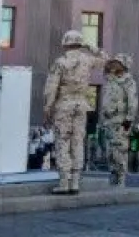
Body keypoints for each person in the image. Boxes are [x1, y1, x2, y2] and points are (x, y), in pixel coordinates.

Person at [43, 29, 109, 195]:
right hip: (81, 104)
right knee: (78, 141)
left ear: (65, 43)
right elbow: (106, 61)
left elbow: (51, 87)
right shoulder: (88, 60)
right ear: (80, 43)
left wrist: (47, 107)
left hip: (64, 105)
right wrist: (90, 46)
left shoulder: (60, 62)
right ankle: (75, 182)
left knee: (63, 142)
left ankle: (64, 182)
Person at [100, 53, 136, 187]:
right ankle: (114, 175)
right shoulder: (111, 79)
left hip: (121, 121)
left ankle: (121, 178)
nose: (115, 64)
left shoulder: (128, 81)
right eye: (114, 62)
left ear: (124, 65)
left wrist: (129, 118)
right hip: (109, 121)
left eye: (118, 63)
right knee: (110, 152)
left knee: (119, 151)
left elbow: (132, 101)